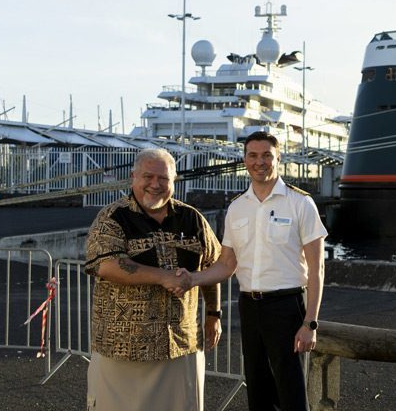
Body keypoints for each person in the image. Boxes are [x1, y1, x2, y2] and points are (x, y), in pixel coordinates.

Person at [186, 131, 327, 411]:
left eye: (266, 155)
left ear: (278, 158)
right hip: (249, 306)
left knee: (291, 390)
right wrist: (192, 278)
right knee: (258, 387)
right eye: (252, 155)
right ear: (244, 159)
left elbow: (317, 268)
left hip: (286, 306)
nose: (259, 162)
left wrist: (310, 323)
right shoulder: (237, 207)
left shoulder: (300, 203)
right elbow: (227, 264)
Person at [83, 148, 222, 411]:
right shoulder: (112, 217)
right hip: (123, 348)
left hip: (181, 345)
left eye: (163, 178)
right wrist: (164, 277)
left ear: (174, 181)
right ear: (133, 177)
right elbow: (106, 265)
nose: (155, 184)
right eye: (148, 176)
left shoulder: (192, 218)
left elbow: (212, 265)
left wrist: (214, 314)